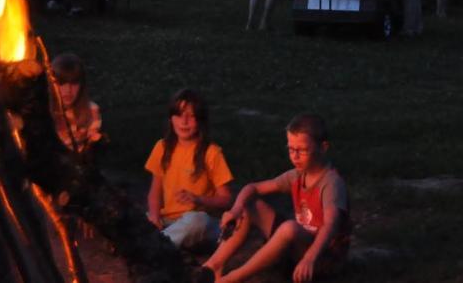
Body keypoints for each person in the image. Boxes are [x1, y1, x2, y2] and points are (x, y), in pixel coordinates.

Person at [202, 114, 350, 283]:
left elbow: (330, 224)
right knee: (250, 205)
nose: (295, 156)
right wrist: (236, 209)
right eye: (291, 149)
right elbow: (253, 188)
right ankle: (213, 266)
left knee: (289, 228)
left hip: (322, 258)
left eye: (302, 150)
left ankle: (232, 279)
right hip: (298, 248)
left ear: (323, 148)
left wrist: (309, 259)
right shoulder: (297, 175)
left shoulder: (331, 183)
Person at [145, 89, 235, 249]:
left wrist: (198, 199)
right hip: (168, 221)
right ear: (171, 119)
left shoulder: (211, 152)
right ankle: (162, 241)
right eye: (179, 115)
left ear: (200, 120)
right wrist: (154, 215)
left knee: (197, 222)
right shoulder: (162, 147)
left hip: (201, 223)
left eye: (191, 116)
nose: (184, 122)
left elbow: (226, 199)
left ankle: (155, 246)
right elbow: (155, 190)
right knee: (133, 217)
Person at [49, 53, 104, 159]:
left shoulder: (91, 111)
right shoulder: (43, 112)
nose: (68, 90)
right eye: (61, 83)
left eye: (74, 83)